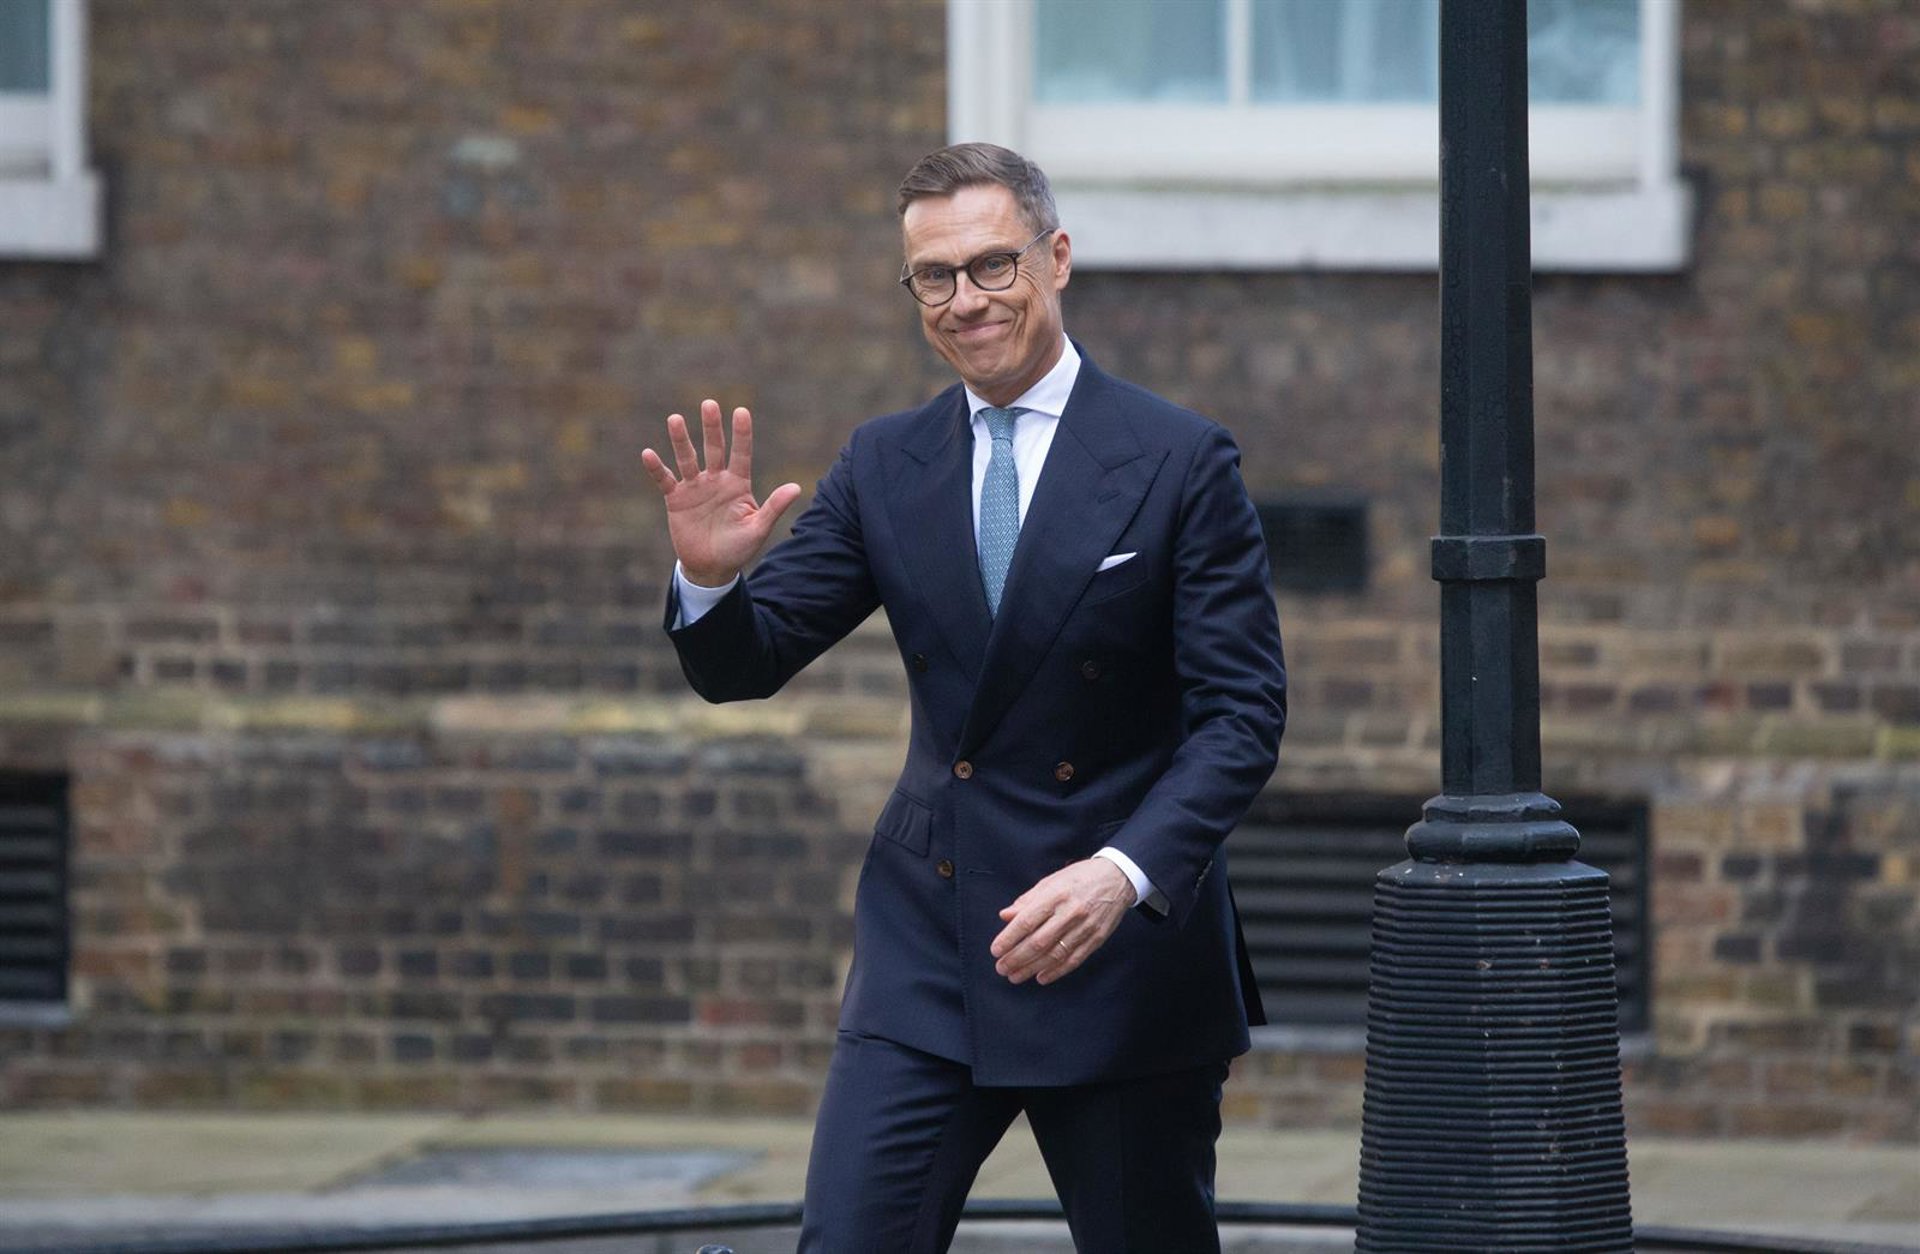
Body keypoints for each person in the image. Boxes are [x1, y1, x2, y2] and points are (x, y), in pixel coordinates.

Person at [643, 142, 1286, 1254]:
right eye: (934, 277)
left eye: (994, 265)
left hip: (1115, 947)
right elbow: (748, 662)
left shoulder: (1179, 459)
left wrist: (1121, 874)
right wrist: (709, 580)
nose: (966, 300)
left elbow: (1243, 717)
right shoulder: (886, 462)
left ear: (1057, 257)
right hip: (931, 944)